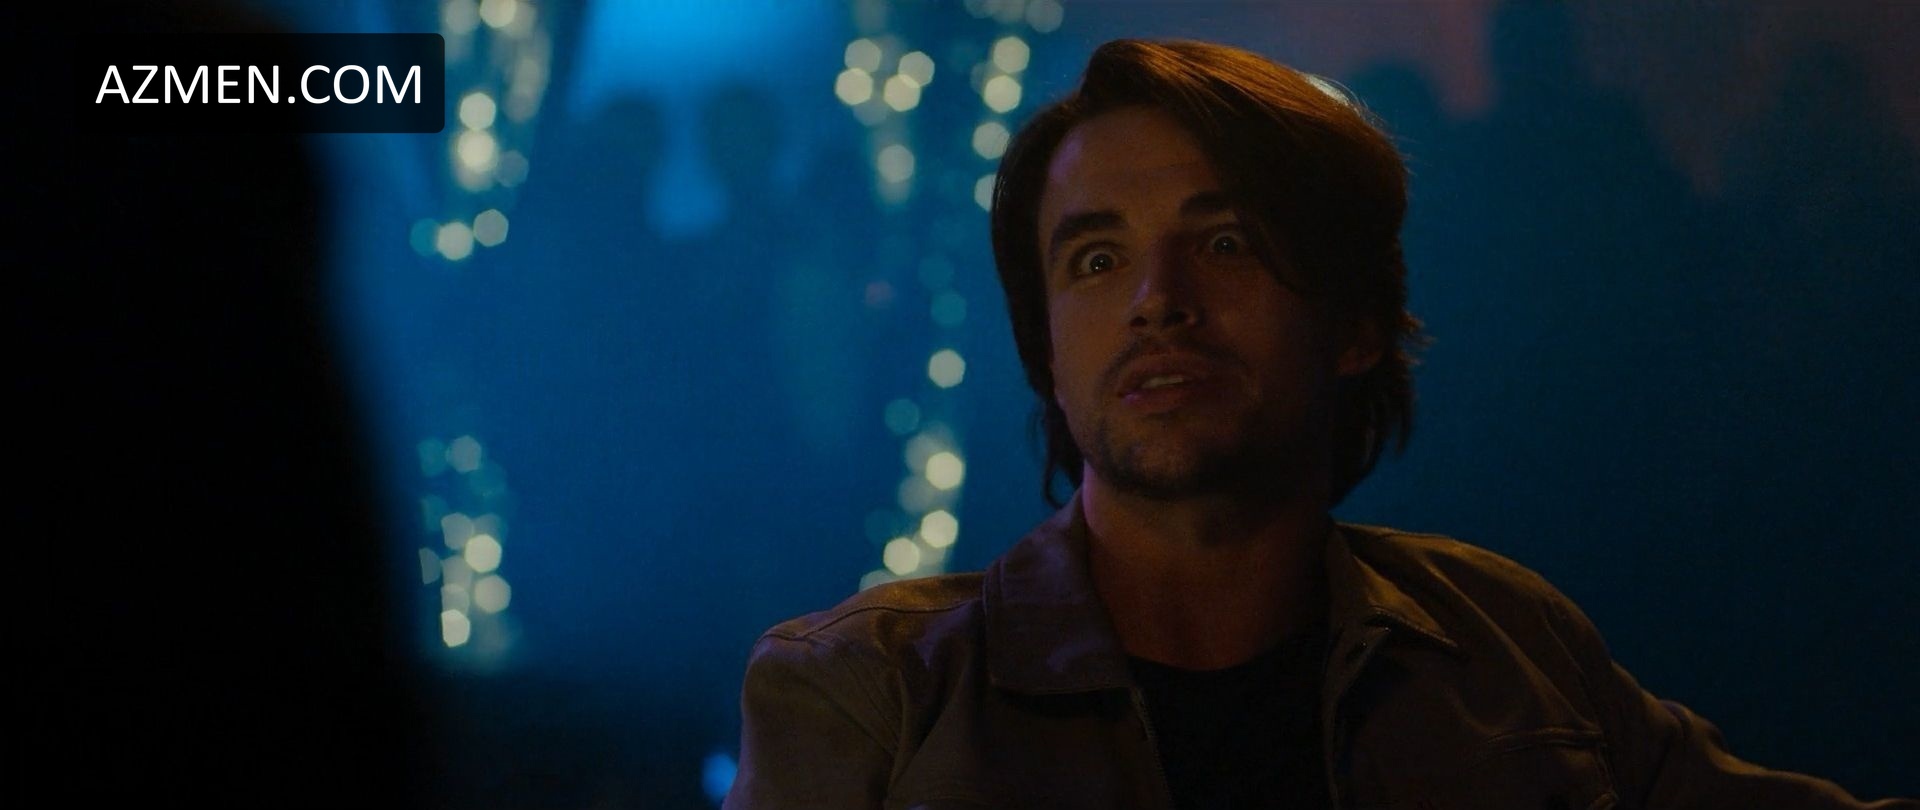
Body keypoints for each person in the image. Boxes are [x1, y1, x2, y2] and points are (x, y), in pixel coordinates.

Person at [722, 39, 1914, 809]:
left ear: (1354, 323)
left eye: (1224, 240)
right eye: (1094, 258)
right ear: (1046, 356)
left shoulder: (1508, 650)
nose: (1156, 299)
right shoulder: (874, 697)